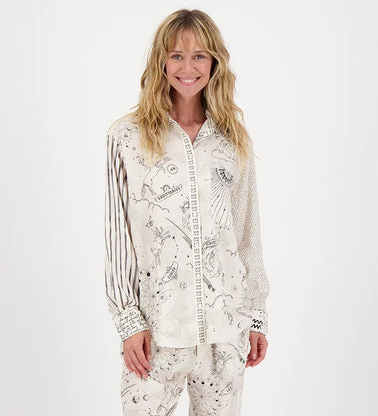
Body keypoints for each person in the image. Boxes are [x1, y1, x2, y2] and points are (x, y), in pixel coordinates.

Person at [104, 8, 270, 416]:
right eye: (176, 56)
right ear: (161, 61)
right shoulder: (127, 137)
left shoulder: (233, 141)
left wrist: (257, 315)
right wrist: (128, 321)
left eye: (199, 56)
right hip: (157, 331)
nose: (188, 67)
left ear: (214, 62)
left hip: (226, 330)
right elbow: (117, 234)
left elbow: (246, 232)